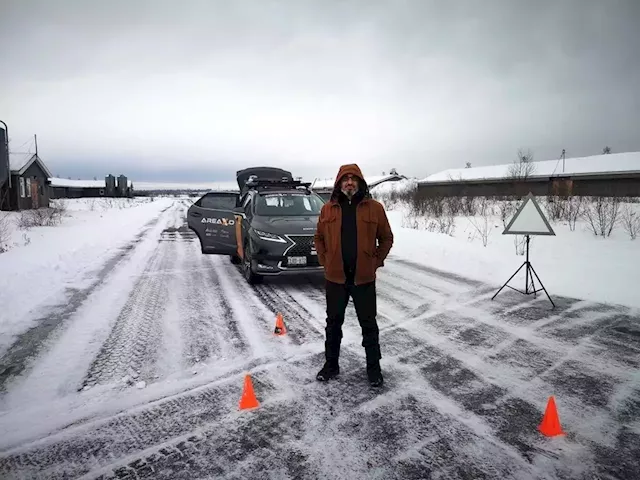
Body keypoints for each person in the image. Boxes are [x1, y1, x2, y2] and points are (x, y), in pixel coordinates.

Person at [313, 164, 394, 387]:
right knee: (333, 324)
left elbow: (386, 238)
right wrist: (325, 260)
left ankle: (374, 369)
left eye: (353, 178)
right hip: (336, 278)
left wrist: (375, 262)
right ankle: (331, 365)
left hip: (363, 279)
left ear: (360, 182)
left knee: (369, 325)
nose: (349, 182)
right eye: (345, 179)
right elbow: (318, 237)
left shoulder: (375, 208)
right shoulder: (328, 209)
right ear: (339, 183)